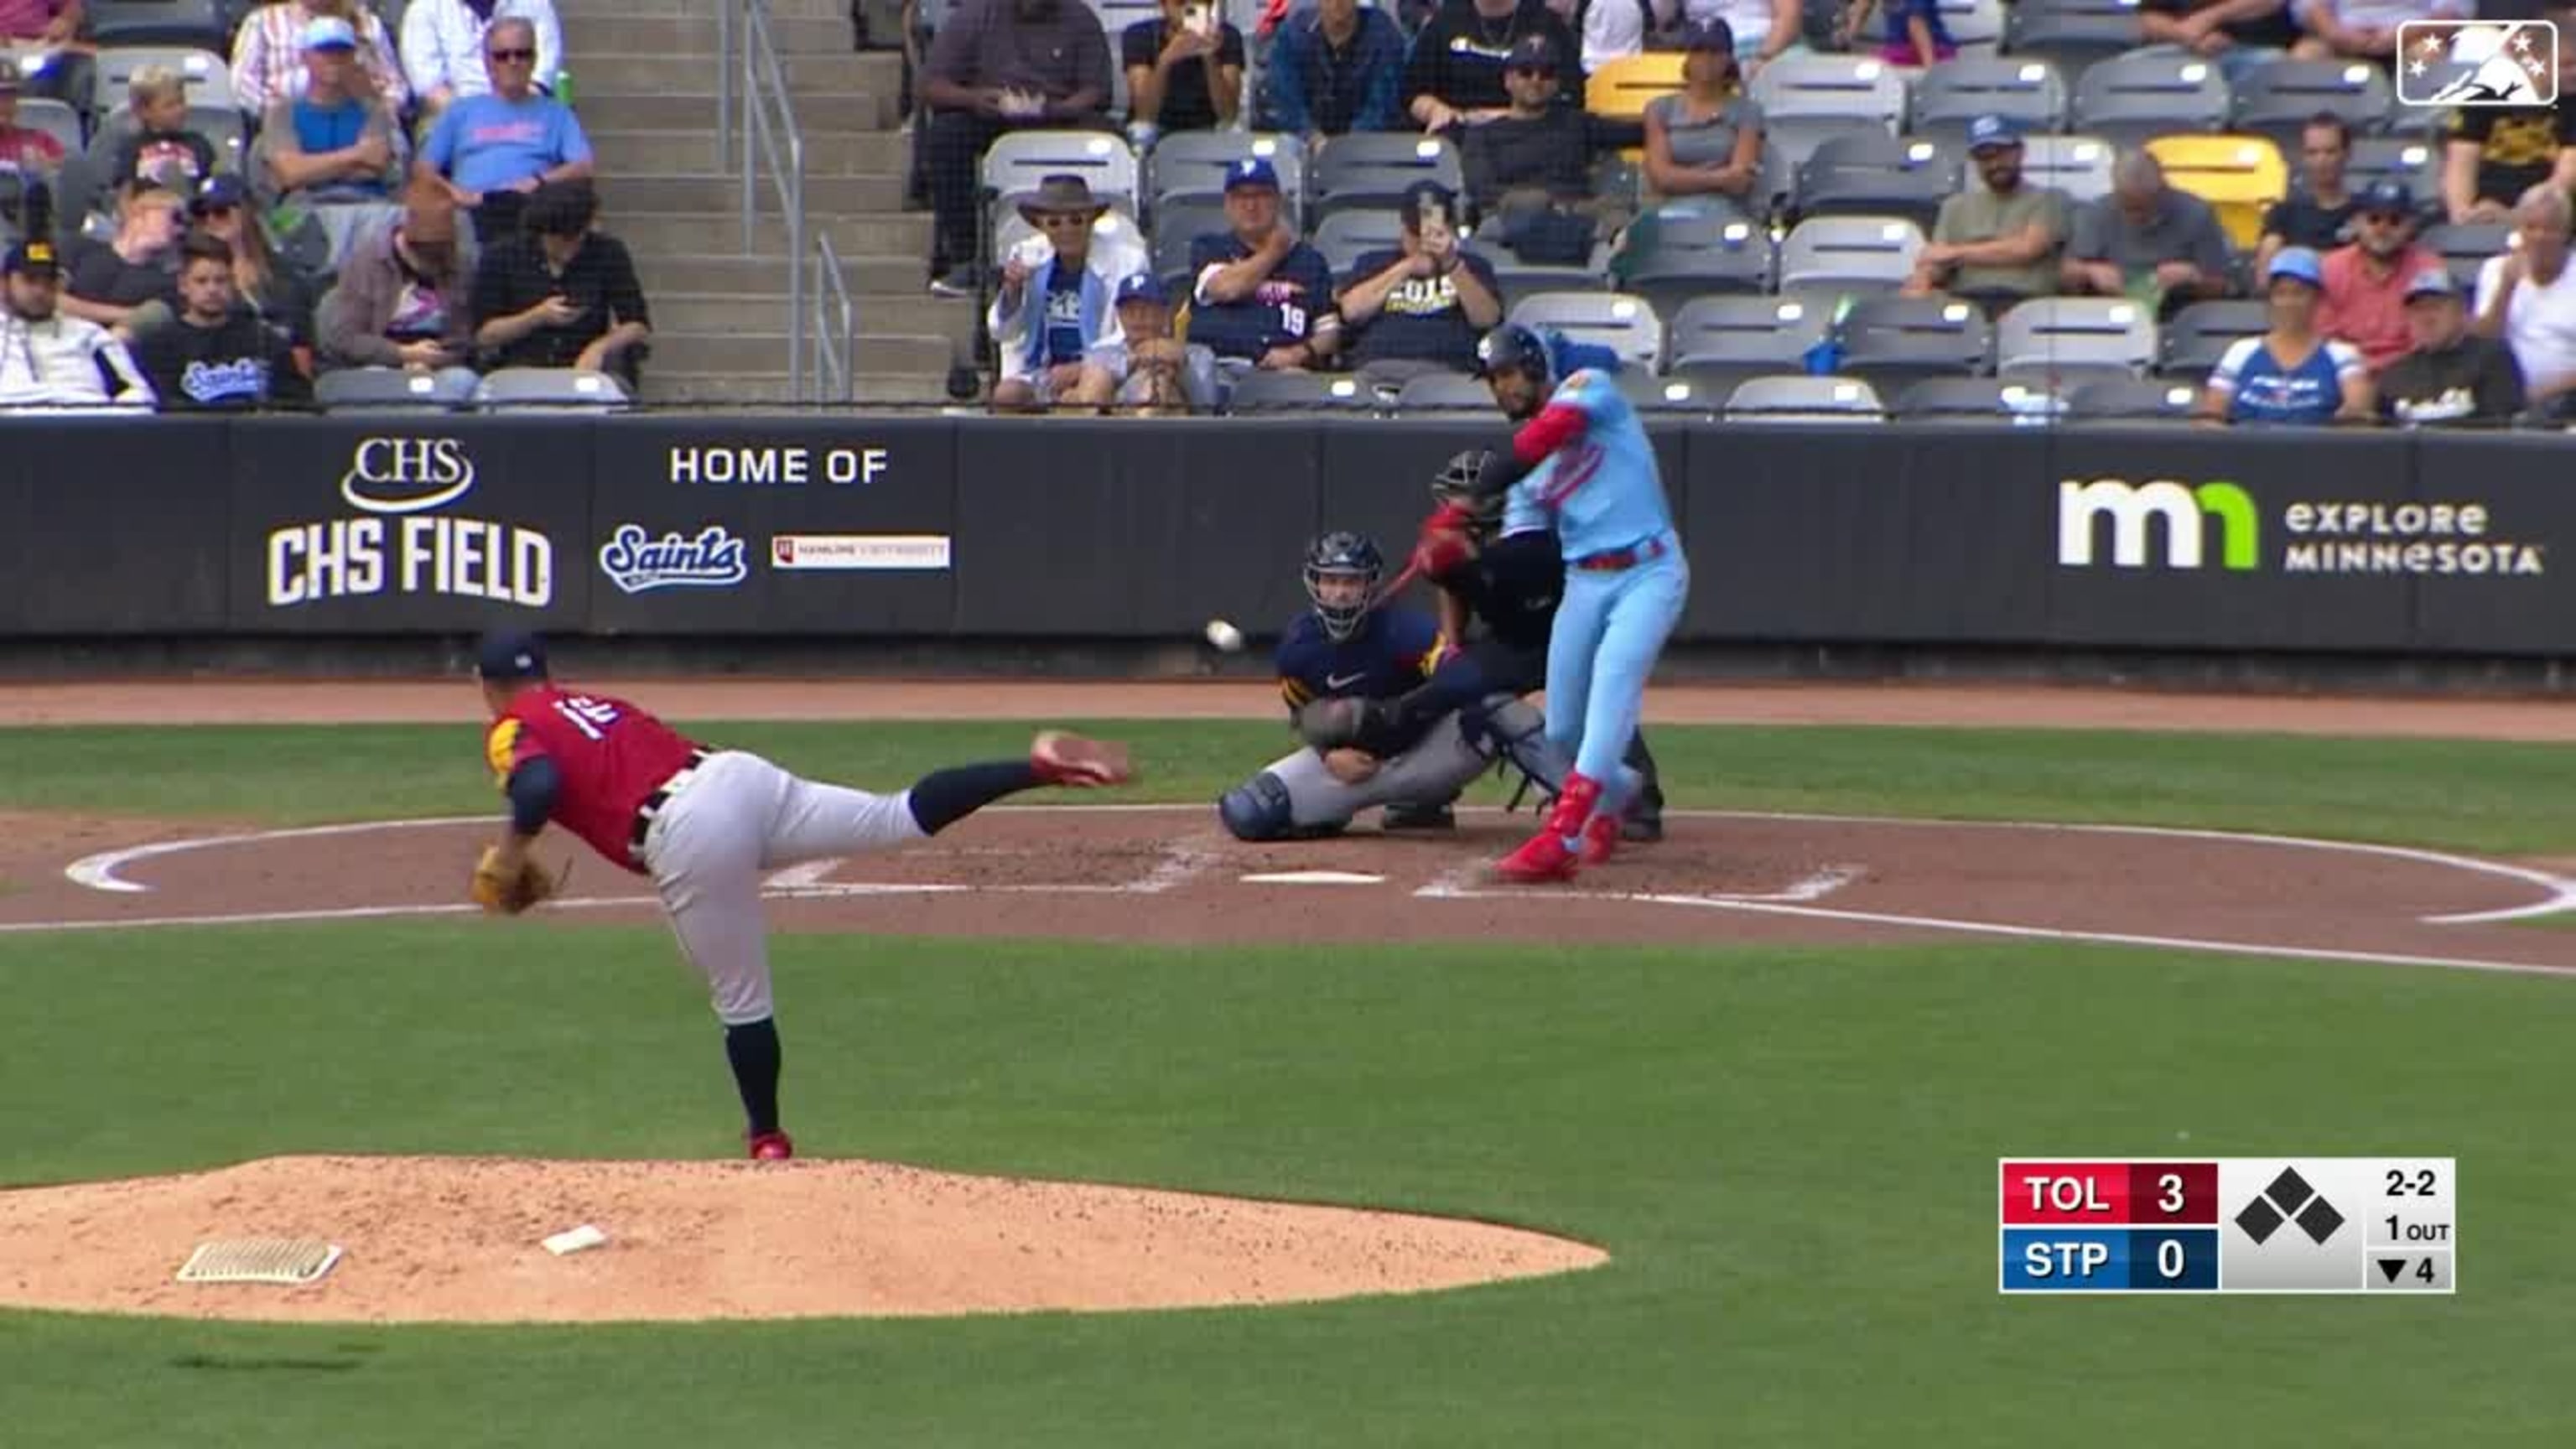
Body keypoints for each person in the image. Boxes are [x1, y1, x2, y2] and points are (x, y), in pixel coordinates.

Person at [468, 628, 1134, 1160]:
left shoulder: (511, 726)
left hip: (690, 829)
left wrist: (511, 853)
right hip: (739, 777)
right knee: (893, 815)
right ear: (545, 669)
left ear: (485, 685)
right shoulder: (594, 703)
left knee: (741, 1000)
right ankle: (1036, 768)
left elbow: (537, 787)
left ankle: (768, 1142)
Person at [1317, 449, 1666, 841]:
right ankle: (1425, 797)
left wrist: (1467, 558)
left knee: (1595, 704)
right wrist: (1452, 645)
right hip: (1509, 639)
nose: (1451, 504)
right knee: (1441, 691)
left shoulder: (1537, 536)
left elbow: (1512, 578)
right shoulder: (1456, 535)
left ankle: (1640, 803)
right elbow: (1452, 589)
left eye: (1464, 495)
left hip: (1568, 631)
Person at [1445, 323, 1688, 881]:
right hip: (1585, 580)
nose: (1502, 388)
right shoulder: (1528, 482)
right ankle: (1617, 794)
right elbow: (1522, 550)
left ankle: (1565, 834)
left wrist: (1480, 488)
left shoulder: (1588, 385)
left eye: (1508, 373)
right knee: (1562, 732)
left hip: (1648, 570)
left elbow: (1548, 431)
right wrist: (1460, 558)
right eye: (1492, 380)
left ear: (1533, 366)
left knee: (1611, 688)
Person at [1215, 532, 1501, 841]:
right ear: (1315, 583)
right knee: (1248, 811)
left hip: (1425, 750)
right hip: (1356, 762)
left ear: (1369, 584)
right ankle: (1337, 809)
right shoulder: (1298, 647)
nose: (1339, 593)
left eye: (1350, 582)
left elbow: (1463, 676)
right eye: (1330, 581)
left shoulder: (1403, 629)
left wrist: (1399, 711)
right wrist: (1328, 756)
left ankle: (1429, 801)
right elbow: (1304, 715)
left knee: (1503, 713)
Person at [470, 178, 652, 387]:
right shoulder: (502, 255)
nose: (567, 249)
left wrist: (599, 348)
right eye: (559, 241)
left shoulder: (608, 252)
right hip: (519, 367)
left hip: (583, 367)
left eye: (575, 240)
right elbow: (484, 335)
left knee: (615, 388)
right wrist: (536, 317)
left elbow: (637, 324)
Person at [1334, 179, 1504, 387]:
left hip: (1450, 372)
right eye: (1417, 234)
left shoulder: (1472, 266)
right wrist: (1405, 268)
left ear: (1450, 228)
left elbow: (1487, 319)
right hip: (1377, 369)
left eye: (1435, 233)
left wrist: (1451, 265)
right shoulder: (1374, 262)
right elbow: (1351, 311)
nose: (1425, 243)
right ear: (1404, 230)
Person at [1187, 156, 1340, 371]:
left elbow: (1329, 331)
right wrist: (1275, 251)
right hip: (1219, 369)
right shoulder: (1210, 248)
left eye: (1261, 195)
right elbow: (1227, 288)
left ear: (1277, 201)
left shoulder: (1309, 261)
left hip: (1287, 372)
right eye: (1240, 197)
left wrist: (1300, 352)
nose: (1251, 205)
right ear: (1227, 205)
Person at [1904, 114, 2068, 314]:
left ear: (2020, 152)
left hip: (2026, 303)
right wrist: (1925, 276)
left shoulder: (2049, 199)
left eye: (2000, 154)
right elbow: (1938, 260)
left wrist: (1956, 253)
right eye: (1984, 157)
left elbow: (2027, 249)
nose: (1994, 164)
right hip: (1966, 302)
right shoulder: (1955, 206)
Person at [987, 173, 1124, 410]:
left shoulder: (1125, 261)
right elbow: (1001, 332)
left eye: (1076, 220)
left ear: (1091, 220)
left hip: (1100, 370)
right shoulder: (1027, 255)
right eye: (1055, 223)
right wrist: (1012, 291)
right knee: (1007, 395)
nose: (1067, 229)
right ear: (1041, 224)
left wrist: (1081, 368)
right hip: (1043, 369)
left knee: (1086, 394)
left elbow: (1127, 335)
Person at [132, 231, 309, 410]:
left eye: (221, 281)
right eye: (201, 281)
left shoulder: (263, 340)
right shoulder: (160, 346)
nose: (212, 290)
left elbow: (296, 401)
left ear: (233, 283)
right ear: (183, 285)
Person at [2199, 246, 2373, 423]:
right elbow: (2212, 413)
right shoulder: (2242, 351)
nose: (2289, 303)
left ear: (2317, 299)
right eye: (2281, 294)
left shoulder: (2341, 354)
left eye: (2299, 293)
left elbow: (2357, 411)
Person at [0, 239, 155, 409]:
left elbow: (140, 395)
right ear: (4, 284)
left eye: (49, 280)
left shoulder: (89, 334)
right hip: (13, 426)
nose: (40, 290)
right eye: (30, 280)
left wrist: (109, 422)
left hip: (85, 422)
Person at [1639, 19, 1765, 223]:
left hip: (1727, 213)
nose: (1706, 59)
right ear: (1687, 57)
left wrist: (1680, 178)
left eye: (1715, 51)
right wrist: (1719, 178)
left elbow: (1740, 180)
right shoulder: (1659, 109)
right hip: (1667, 210)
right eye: (1698, 51)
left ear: (1728, 58)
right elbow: (1660, 177)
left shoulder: (1748, 111)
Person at [2471, 182, 2576, 420]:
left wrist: (2545, 390)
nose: (2540, 238)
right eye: (2531, 228)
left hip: (2568, 398)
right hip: (2502, 395)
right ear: (2518, 230)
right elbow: (2482, 342)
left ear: (2566, 233)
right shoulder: (2495, 270)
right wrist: (2507, 288)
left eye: (2550, 229)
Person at [2315, 178, 2442, 375]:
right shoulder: (2332, 268)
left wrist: (2384, 369)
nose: (2382, 229)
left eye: (2395, 221)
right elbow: (2324, 337)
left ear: (2411, 226)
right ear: (2357, 222)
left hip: (2411, 374)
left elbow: (2429, 337)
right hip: (2345, 374)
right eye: (2373, 219)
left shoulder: (2428, 269)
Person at [1401, 0, 1580, 134]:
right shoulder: (1443, 23)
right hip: (1461, 138)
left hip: (1532, 139)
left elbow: (1570, 97)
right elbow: (1412, 93)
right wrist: (1435, 111)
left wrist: (1507, 116)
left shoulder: (1548, 25)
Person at [2377, 267, 2526, 427]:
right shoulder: (2395, 375)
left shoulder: (2493, 360)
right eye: (2418, 309)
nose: (2427, 318)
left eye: (2435, 307)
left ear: (2461, 312)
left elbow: (2500, 434)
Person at [1261, 0, 1405, 138]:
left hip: (1366, 145)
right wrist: (1311, 136)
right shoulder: (1293, 33)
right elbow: (1284, 96)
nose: (1337, 2)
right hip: (1304, 145)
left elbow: (1384, 103)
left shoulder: (1382, 32)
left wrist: (1346, 145)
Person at [1121, 0, 1244, 147]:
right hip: (1158, 123)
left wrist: (1209, 57)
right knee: (1141, 131)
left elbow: (1228, 114)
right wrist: (1165, 61)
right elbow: (1144, 114)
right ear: (1164, 6)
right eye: (1180, 3)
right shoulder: (1140, 35)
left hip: (1208, 124)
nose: (1187, 12)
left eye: (1197, 4)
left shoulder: (1228, 35)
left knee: (1233, 130)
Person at [2255, 115, 2360, 275]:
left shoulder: (2367, 213)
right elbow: (2265, 275)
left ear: (2347, 153)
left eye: (2330, 151)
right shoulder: (2283, 214)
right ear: (2303, 157)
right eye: (2313, 152)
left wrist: (2296, 258)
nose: (2321, 160)